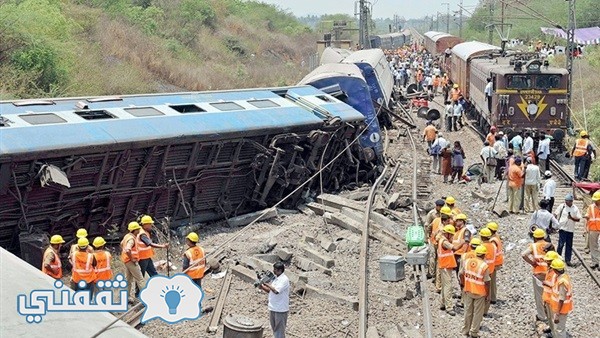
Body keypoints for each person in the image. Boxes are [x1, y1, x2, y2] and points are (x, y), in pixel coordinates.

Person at [459, 245, 490, 338]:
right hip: (480, 293)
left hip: (468, 290)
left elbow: (461, 274)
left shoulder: (467, 262)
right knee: (478, 313)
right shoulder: (484, 266)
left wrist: (463, 284)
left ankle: (465, 331)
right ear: (484, 255)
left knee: (468, 311)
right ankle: (474, 332)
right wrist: (488, 294)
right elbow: (487, 282)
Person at [521, 228, 552, 323]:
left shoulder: (533, 246)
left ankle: (542, 316)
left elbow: (523, 254)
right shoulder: (549, 245)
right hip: (549, 274)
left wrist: (532, 263)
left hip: (538, 274)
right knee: (549, 295)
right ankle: (550, 315)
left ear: (535, 238)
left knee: (539, 296)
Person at [259, 262, 290, 338]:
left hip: (280, 309)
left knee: (279, 330)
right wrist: (262, 287)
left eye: (275, 269)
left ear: (280, 270)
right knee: (275, 329)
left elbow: (276, 291)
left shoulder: (284, 279)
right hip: (273, 307)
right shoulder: (276, 279)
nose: (274, 271)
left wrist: (266, 284)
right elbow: (270, 291)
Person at [548, 259, 573, 338]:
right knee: (558, 328)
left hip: (561, 310)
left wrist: (557, 314)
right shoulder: (563, 276)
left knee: (559, 329)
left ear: (555, 270)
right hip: (559, 308)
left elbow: (561, 299)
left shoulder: (562, 282)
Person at [121, 221, 145, 300]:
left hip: (126, 261)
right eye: (138, 229)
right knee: (140, 279)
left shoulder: (127, 236)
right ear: (134, 230)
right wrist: (132, 258)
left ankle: (126, 297)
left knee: (128, 280)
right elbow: (128, 249)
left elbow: (121, 244)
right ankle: (146, 297)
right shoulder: (131, 239)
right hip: (131, 262)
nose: (139, 231)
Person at [555, 194, 581, 267]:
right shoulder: (562, 206)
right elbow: (555, 213)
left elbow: (578, 219)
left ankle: (568, 260)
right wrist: (554, 223)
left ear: (571, 201)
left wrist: (571, 218)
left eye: (568, 201)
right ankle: (558, 258)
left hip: (570, 230)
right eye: (566, 201)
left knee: (569, 245)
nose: (566, 202)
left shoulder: (575, 208)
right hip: (562, 228)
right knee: (561, 244)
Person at [438, 224, 458, 316]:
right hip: (446, 267)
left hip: (445, 266)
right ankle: (449, 307)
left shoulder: (442, 239)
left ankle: (443, 303)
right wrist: (464, 242)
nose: (452, 236)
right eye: (452, 235)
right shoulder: (445, 242)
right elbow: (454, 248)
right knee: (448, 287)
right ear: (448, 234)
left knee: (444, 285)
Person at [541, 251, 561, 335]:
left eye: (548, 261)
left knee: (553, 318)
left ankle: (555, 333)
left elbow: (555, 285)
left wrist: (546, 283)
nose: (546, 262)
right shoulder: (550, 270)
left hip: (551, 299)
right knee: (549, 317)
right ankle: (551, 330)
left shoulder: (555, 273)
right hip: (547, 297)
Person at [479, 228, 496, 316]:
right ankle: (486, 310)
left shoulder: (482, 247)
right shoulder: (493, 246)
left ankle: (481, 309)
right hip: (491, 269)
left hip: (483, 270)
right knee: (488, 290)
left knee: (483, 290)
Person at [487, 222, 504, 304]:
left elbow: (491, 252)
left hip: (493, 263)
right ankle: (493, 296)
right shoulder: (496, 237)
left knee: (491, 281)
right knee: (492, 280)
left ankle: (492, 297)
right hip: (496, 262)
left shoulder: (493, 240)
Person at [583, 191, 600, 269]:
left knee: (598, 246)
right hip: (592, 229)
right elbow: (586, 218)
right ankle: (595, 262)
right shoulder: (591, 207)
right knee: (593, 246)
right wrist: (585, 228)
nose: (596, 201)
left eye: (597, 200)